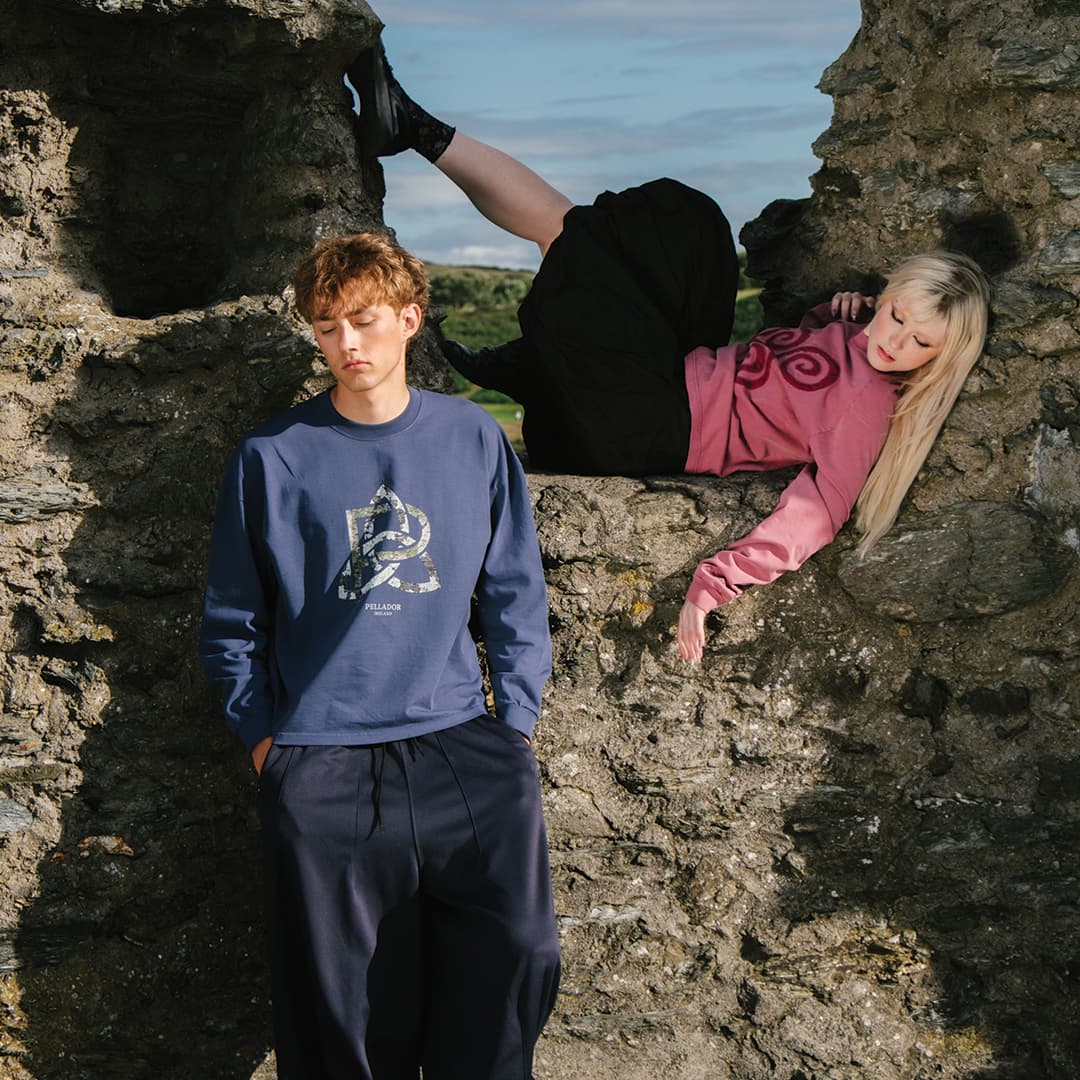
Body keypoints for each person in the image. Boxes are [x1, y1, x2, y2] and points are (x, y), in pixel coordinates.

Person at [347, 44, 991, 666]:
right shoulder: (860, 334)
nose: (895, 343)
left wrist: (714, 583)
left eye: (921, 344)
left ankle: (416, 128)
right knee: (687, 222)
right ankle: (536, 363)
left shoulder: (868, 405)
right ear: (888, 293)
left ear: (945, 357)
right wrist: (835, 315)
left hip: (648, 429)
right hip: (666, 382)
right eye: (896, 315)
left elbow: (819, 512)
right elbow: (802, 363)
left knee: (578, 239)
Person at [199, 230, 560, 1079]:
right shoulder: (271, 457)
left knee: (517, 957)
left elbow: (514, 587)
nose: (346, 344)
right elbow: (232, 620)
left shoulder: (471, 437)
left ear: (409, 318)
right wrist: (269, 747)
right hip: (321, 758)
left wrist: (515, 721)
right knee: (346, 1016)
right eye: (327, 327)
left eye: (363, 320)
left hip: (463, 747)